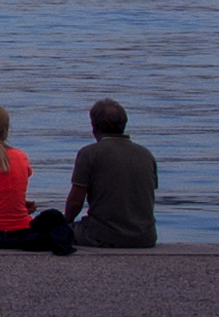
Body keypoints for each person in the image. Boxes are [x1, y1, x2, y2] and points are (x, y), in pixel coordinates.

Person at [0, 103, 75, 254]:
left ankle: (3, 242)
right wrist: (18, 204)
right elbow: (7, 187)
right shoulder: (21, 157)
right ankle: (16, 242)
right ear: (6, 127)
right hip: (21, 229)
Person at [66, 98, 159, 249]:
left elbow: (75, 202)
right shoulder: (145, 154)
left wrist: (65, 222)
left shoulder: (89, 153)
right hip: (146, 237)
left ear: (94, 126)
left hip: (103, 236)